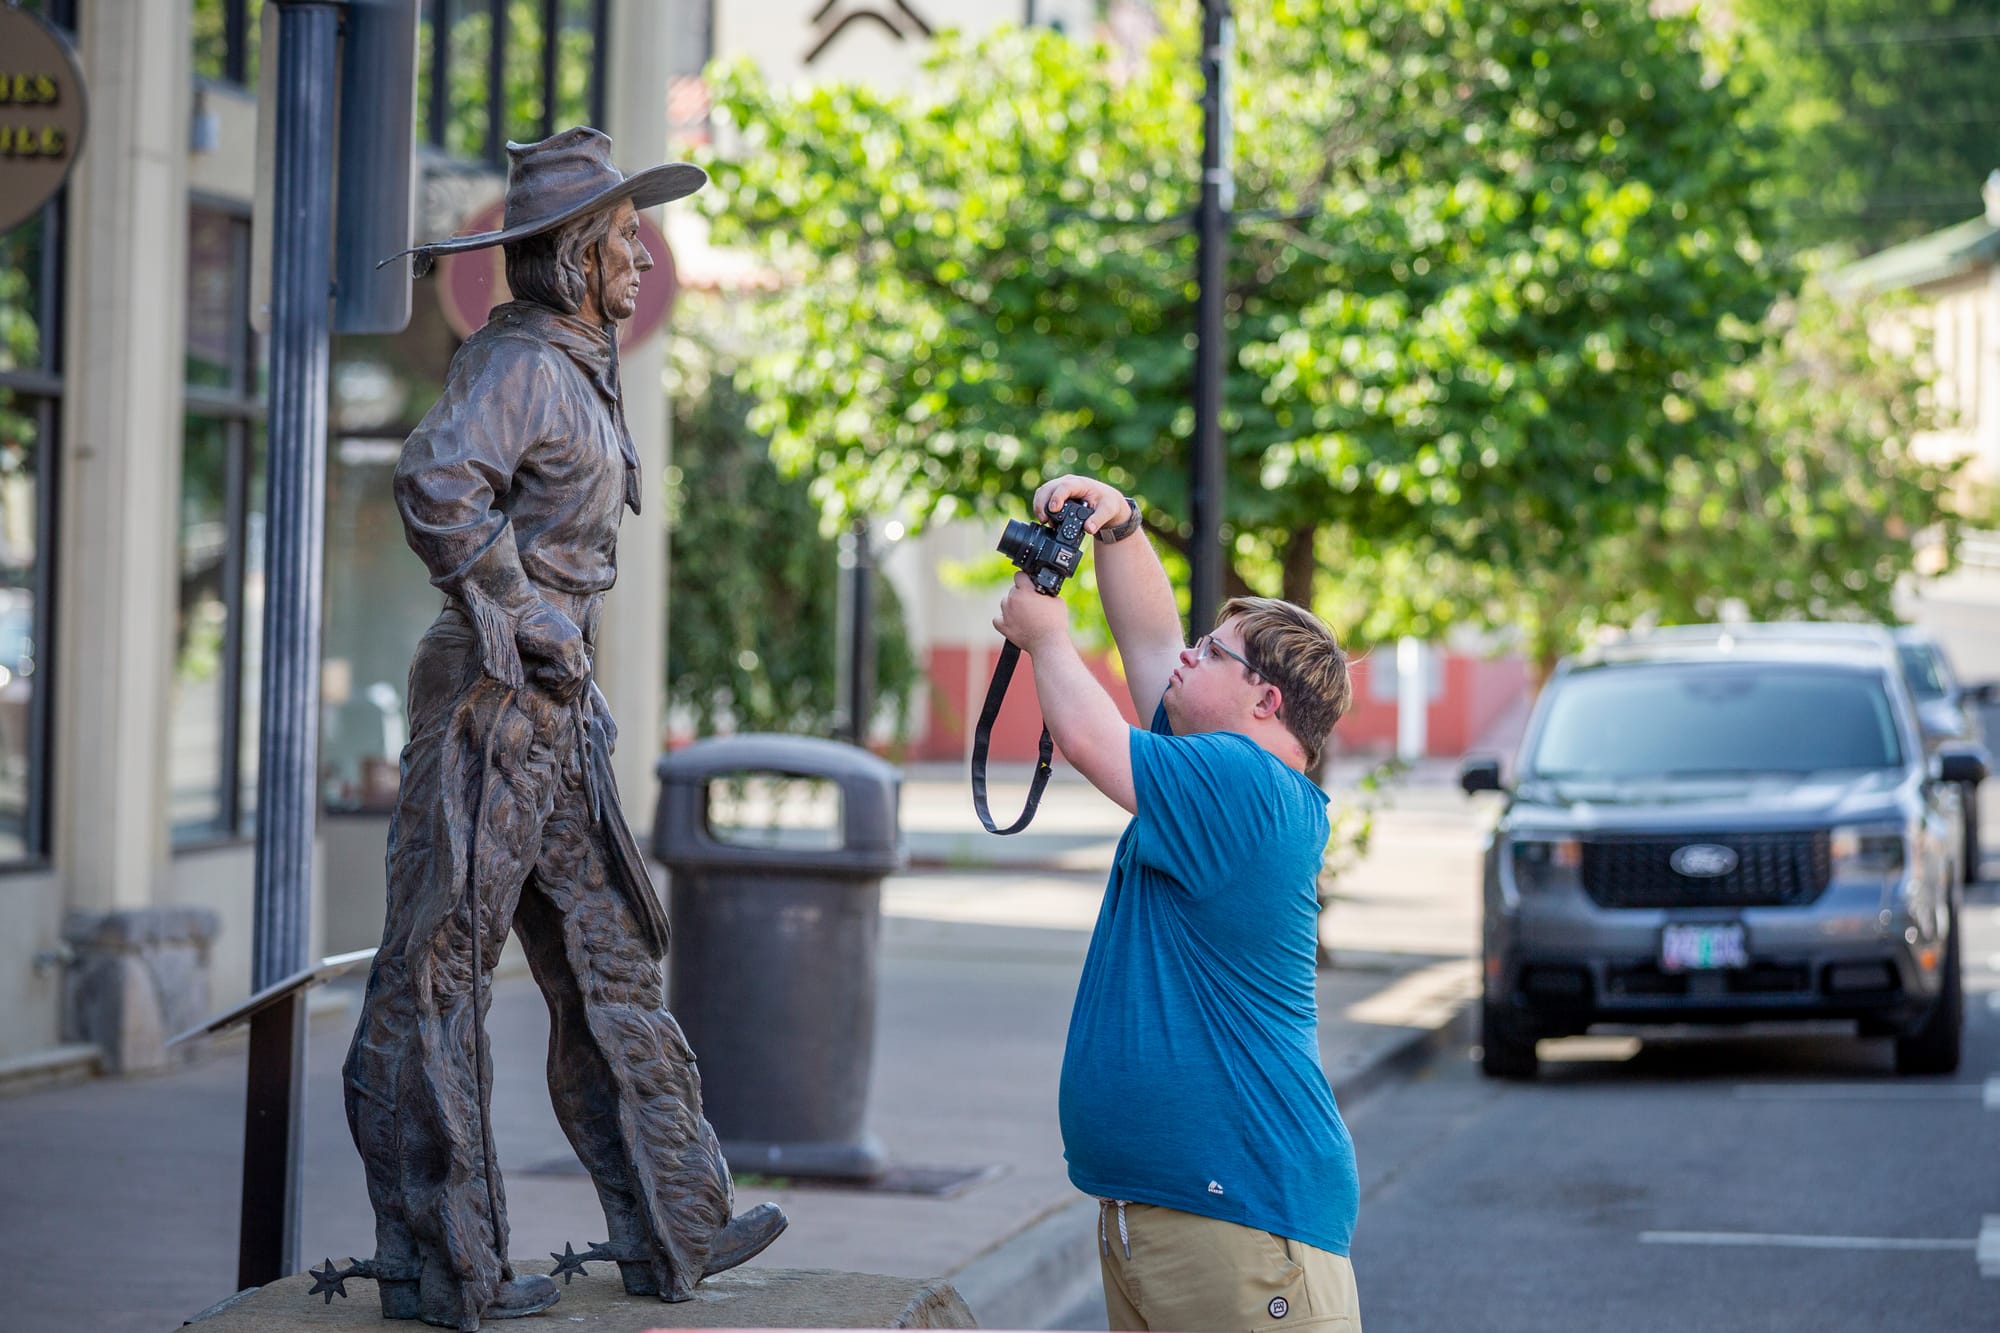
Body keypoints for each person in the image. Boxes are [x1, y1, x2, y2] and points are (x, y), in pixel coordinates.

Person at [342, 128, 783, 1331]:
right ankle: (442, 1259)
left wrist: (554, 638)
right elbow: (438, 479)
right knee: (438, 971)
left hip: (551, 705)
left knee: (609, 954)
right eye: (625, 238)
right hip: (493, 696)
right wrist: (526, 608)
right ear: (577, 256)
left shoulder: (579, 361)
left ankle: (673, 1222)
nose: (643, 257)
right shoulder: (520, 366)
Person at [991, 474, 1361, 1333]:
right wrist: (1118, 527)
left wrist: (1046, 635)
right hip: (1184, 1212)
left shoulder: (1245, 783)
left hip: (1240, 1218)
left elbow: (1088, 738)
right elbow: (1152, 641)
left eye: (1216, 652)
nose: (1190, 655)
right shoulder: (1222, 773)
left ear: (1266, 700)